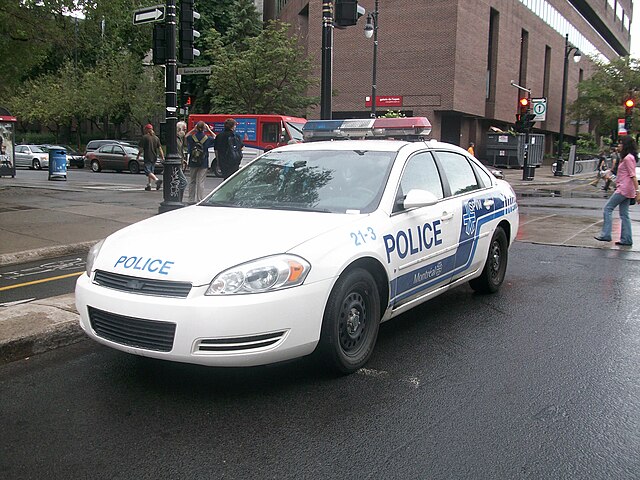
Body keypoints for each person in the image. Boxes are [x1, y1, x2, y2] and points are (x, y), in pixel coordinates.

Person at [594, 136, 640, 246]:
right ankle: (626, 239)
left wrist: (638, 191)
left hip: (623, 189)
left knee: (607, 209)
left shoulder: (628, 158)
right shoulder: (629, 157)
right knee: (624, 214)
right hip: (627, 189)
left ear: (626, 145)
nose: (618, 145)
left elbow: (633, 176)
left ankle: (606, 234)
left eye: (620, 143)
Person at [186, 121, 215, 203]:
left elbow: (186, 136)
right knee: (200, 181)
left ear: (196, 128)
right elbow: (215, 137)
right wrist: (209, 130)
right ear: (204, 128)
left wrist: (193, 130)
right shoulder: (207, 138)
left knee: (192, 181)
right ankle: (200, 199)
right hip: (203, 162)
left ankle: (191, 199)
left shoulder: (192, 137)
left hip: (193, 161)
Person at [136, 124, 164, 191]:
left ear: (147, 130)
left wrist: (138, 155)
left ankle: (157, 180)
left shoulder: (145, 137)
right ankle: (149, 185)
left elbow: (141, 149)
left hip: (148, 156)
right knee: (151, 171)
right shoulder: (156, 138)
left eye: (145, 129)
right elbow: (160, 148)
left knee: (147, 171)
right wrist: (162, 156)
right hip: (154, 157)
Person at [175, 121, 189, 201]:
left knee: (180, 182)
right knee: (183, 182)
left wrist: (182, 159)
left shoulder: (180, 139)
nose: (185, 131)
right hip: (176, 163)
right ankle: (179, 200)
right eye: (184, 129)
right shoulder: (176, 139)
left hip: (179, 162)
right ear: (179, 129)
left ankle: (178, 199)